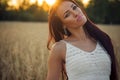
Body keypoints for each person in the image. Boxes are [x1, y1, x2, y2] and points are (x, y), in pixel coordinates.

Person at [46, 0, 119, 80]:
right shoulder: (59, 48)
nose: (76, 13)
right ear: (63, 25)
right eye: (67, 15)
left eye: (74, 7)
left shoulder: (103, 39)